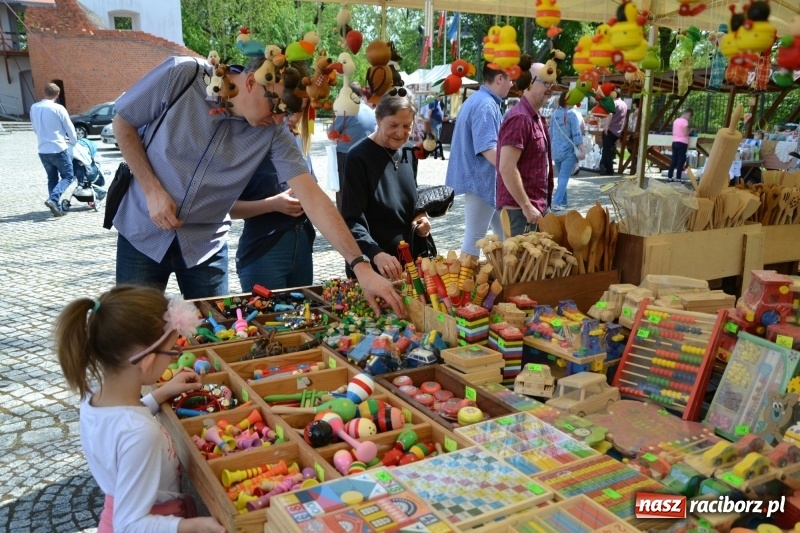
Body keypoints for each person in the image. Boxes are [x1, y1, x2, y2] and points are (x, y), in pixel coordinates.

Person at [112, 55, 402, 316]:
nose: (279, 119)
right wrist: (152, 189)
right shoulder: (182, 75)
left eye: (286, 111)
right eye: (276, 106)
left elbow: (312, 197)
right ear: (251, 82)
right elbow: (123, 121)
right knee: (132, 332)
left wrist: (361, 267)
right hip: (143, 233)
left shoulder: (273, 131)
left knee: (217, 335)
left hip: (203, 246)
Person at [54, 285, 226, 533]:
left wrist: (159, 395)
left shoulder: (94, 393)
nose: (175, 355)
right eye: (171, 350)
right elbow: (129, 525)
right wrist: (193, 526)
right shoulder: (140, 433)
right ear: (147, 362)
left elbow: (119, 427)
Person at [341, 88, 431, 281]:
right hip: (373, 264)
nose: (400, 132)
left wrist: (420, 215)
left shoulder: (409, 151)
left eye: (407, 126)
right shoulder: (358, 157)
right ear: (378, 119)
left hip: (408, 264)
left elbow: (409, 197)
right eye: (393, 125)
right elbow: (351, 218)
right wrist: (375, 253)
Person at [233, 104, 316, 291]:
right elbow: (225, 208)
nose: (293, 118)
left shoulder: (298, 141)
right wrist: (272, 205)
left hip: (301, 244)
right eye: (287, 111)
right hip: (264, 248)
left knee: (303, 316)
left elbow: (313, 192)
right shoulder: (247, 146)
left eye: (299, 111)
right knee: (267, 318)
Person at [445, 62, 513, 260]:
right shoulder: (486, 104)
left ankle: (505, 279)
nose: (512, 84)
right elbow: (488, 149)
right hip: (481, 181)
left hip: (481, 180)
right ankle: (462, 287)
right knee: (474, 239)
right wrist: (512, 169)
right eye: (511, 79)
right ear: (499, 79)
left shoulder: (479, 100)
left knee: (505, 237)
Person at [496, 63, 554, 236]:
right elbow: (506, 167)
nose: (550, 88)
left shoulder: (534, 117)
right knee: (522, 263)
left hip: (533, 210)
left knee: (537, 262)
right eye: (546, 83)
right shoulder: (520, 117)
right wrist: (527, 206)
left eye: (552, 83)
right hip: (521, 213)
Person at [30, 82, 78, 217]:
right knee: (68, 176)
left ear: (44, 93)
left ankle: (55, 206)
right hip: (58, 148)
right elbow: (69, 127)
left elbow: (34, 128)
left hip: (43, 149)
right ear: (57, 94)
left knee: (52, 178)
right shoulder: (58, 108)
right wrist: (73, 141)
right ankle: (53, 199)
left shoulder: (34, 107)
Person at [331, 82, 376, 211]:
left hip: (345, 155)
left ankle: (344, 222)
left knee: (343, 191)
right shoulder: (370, 111)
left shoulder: (347, 110)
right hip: (367, 155)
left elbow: (332, 132)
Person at [548, 91, 584, 211]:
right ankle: (556, 202)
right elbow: (576, 135)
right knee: (563, 178)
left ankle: (563, 201)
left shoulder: (554, 114)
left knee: (561, 177)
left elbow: (550, 134)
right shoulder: (572, 115)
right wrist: (582, 150)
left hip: (556, 151)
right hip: (569, 151)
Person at [599, 88, 627, 176]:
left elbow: (609, 115)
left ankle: (608, 169)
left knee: (606, 150)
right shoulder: (624, 104)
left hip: (610, 129)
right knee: (609, 149)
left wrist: (606, 128)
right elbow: (624, 118)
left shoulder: (614, 103)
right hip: (618, 131)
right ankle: (603, 165)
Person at [668, 108, 694, 182]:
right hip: (682, 143)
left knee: (674, 160)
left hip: (675, 142)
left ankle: (670, 177)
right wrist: (690, 130)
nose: (689, 119)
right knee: (680, 160)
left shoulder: (676, 120)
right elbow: (685, 134)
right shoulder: (685, 122)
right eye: (690, 117)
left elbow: (673, 131)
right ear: (688, 114)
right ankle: (678, 178)